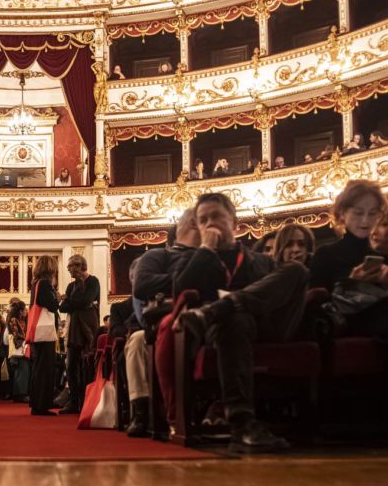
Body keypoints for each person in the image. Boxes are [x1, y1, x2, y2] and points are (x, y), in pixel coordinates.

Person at [172, 194, 312, 453]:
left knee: (297, 270)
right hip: (226, 329)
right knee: (235, 318)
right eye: (203, 220)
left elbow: (277, 294)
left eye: (216, 217)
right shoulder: (193, 258)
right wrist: (204, 250)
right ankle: (243, 424)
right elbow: (180, 292)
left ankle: (220, 308)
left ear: (234, 222)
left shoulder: (263, 261)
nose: (210, 224)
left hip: (268, 324)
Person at [124, 209, 200, 437]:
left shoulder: (210, 256)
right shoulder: (158, 257)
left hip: (200, 315)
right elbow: (142, 288)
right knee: (136, 343)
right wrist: (189, 279)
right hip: (157, 322)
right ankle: (142, 411)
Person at [308, 180, 388, 338]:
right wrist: (352, 285)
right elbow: (316, 306)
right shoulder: (326, 254)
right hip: (344, 325)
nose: (365, 220)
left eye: (372, 213)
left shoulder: (384, 255)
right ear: (343, 213)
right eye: (358, 213)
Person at [58, 254, 100, 413]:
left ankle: (88, 400)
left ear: (79, 266)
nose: (69, 270)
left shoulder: (93, 281)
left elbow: (85, 300)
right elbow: (63, 308)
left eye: (70, 267)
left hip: (88, 327)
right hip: (73, 328)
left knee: (88, 364)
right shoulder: (70, 286)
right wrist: (72, 303)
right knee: (71, 366)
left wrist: (70, 302)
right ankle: (74, 401)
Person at [27, 255, 60, 416]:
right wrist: (58, 298)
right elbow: (52, 306)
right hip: (44, 331)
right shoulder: (45, 284)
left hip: (38, 331)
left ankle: (37, 402)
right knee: (45, 368)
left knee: (39, 367)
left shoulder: (35, 283)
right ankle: (42, 405)